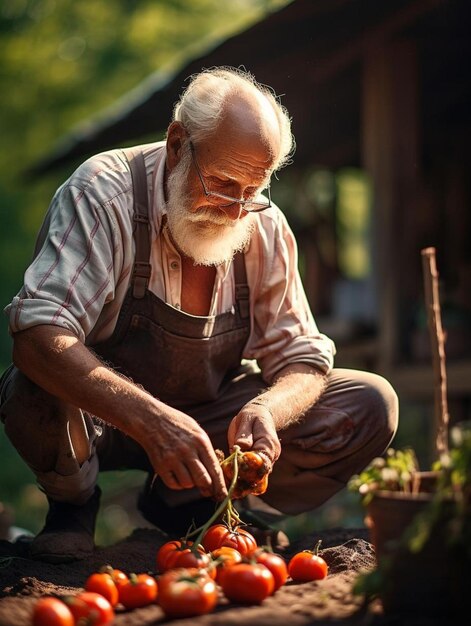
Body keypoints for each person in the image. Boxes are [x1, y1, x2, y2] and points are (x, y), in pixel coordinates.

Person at [0, 66, 398, 563]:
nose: (236, 211)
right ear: (175, 145)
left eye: (252, 191)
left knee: (368, 402)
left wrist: (265, 412)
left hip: (213, 426)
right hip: (95, 419)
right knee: (32, 382)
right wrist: (152, 421)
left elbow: (302, 356)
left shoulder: (263, 223)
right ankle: (72, 507)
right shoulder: (102, 194)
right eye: (223, 184)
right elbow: (38, 332)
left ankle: (188, 500)